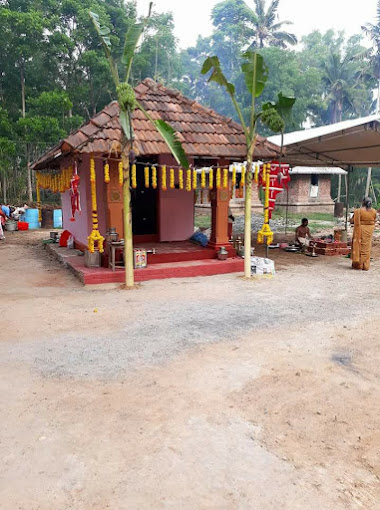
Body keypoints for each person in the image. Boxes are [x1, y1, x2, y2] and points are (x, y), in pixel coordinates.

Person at [350, 197, 377, 271]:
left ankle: (359, 265)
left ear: (363, 202)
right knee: (366, 247)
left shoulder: (358, 211)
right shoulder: (374, 211)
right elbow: (374, 220)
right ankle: (365, 265)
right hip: (369, 230)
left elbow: (352, 221)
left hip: (360, 230)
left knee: (359, 246)